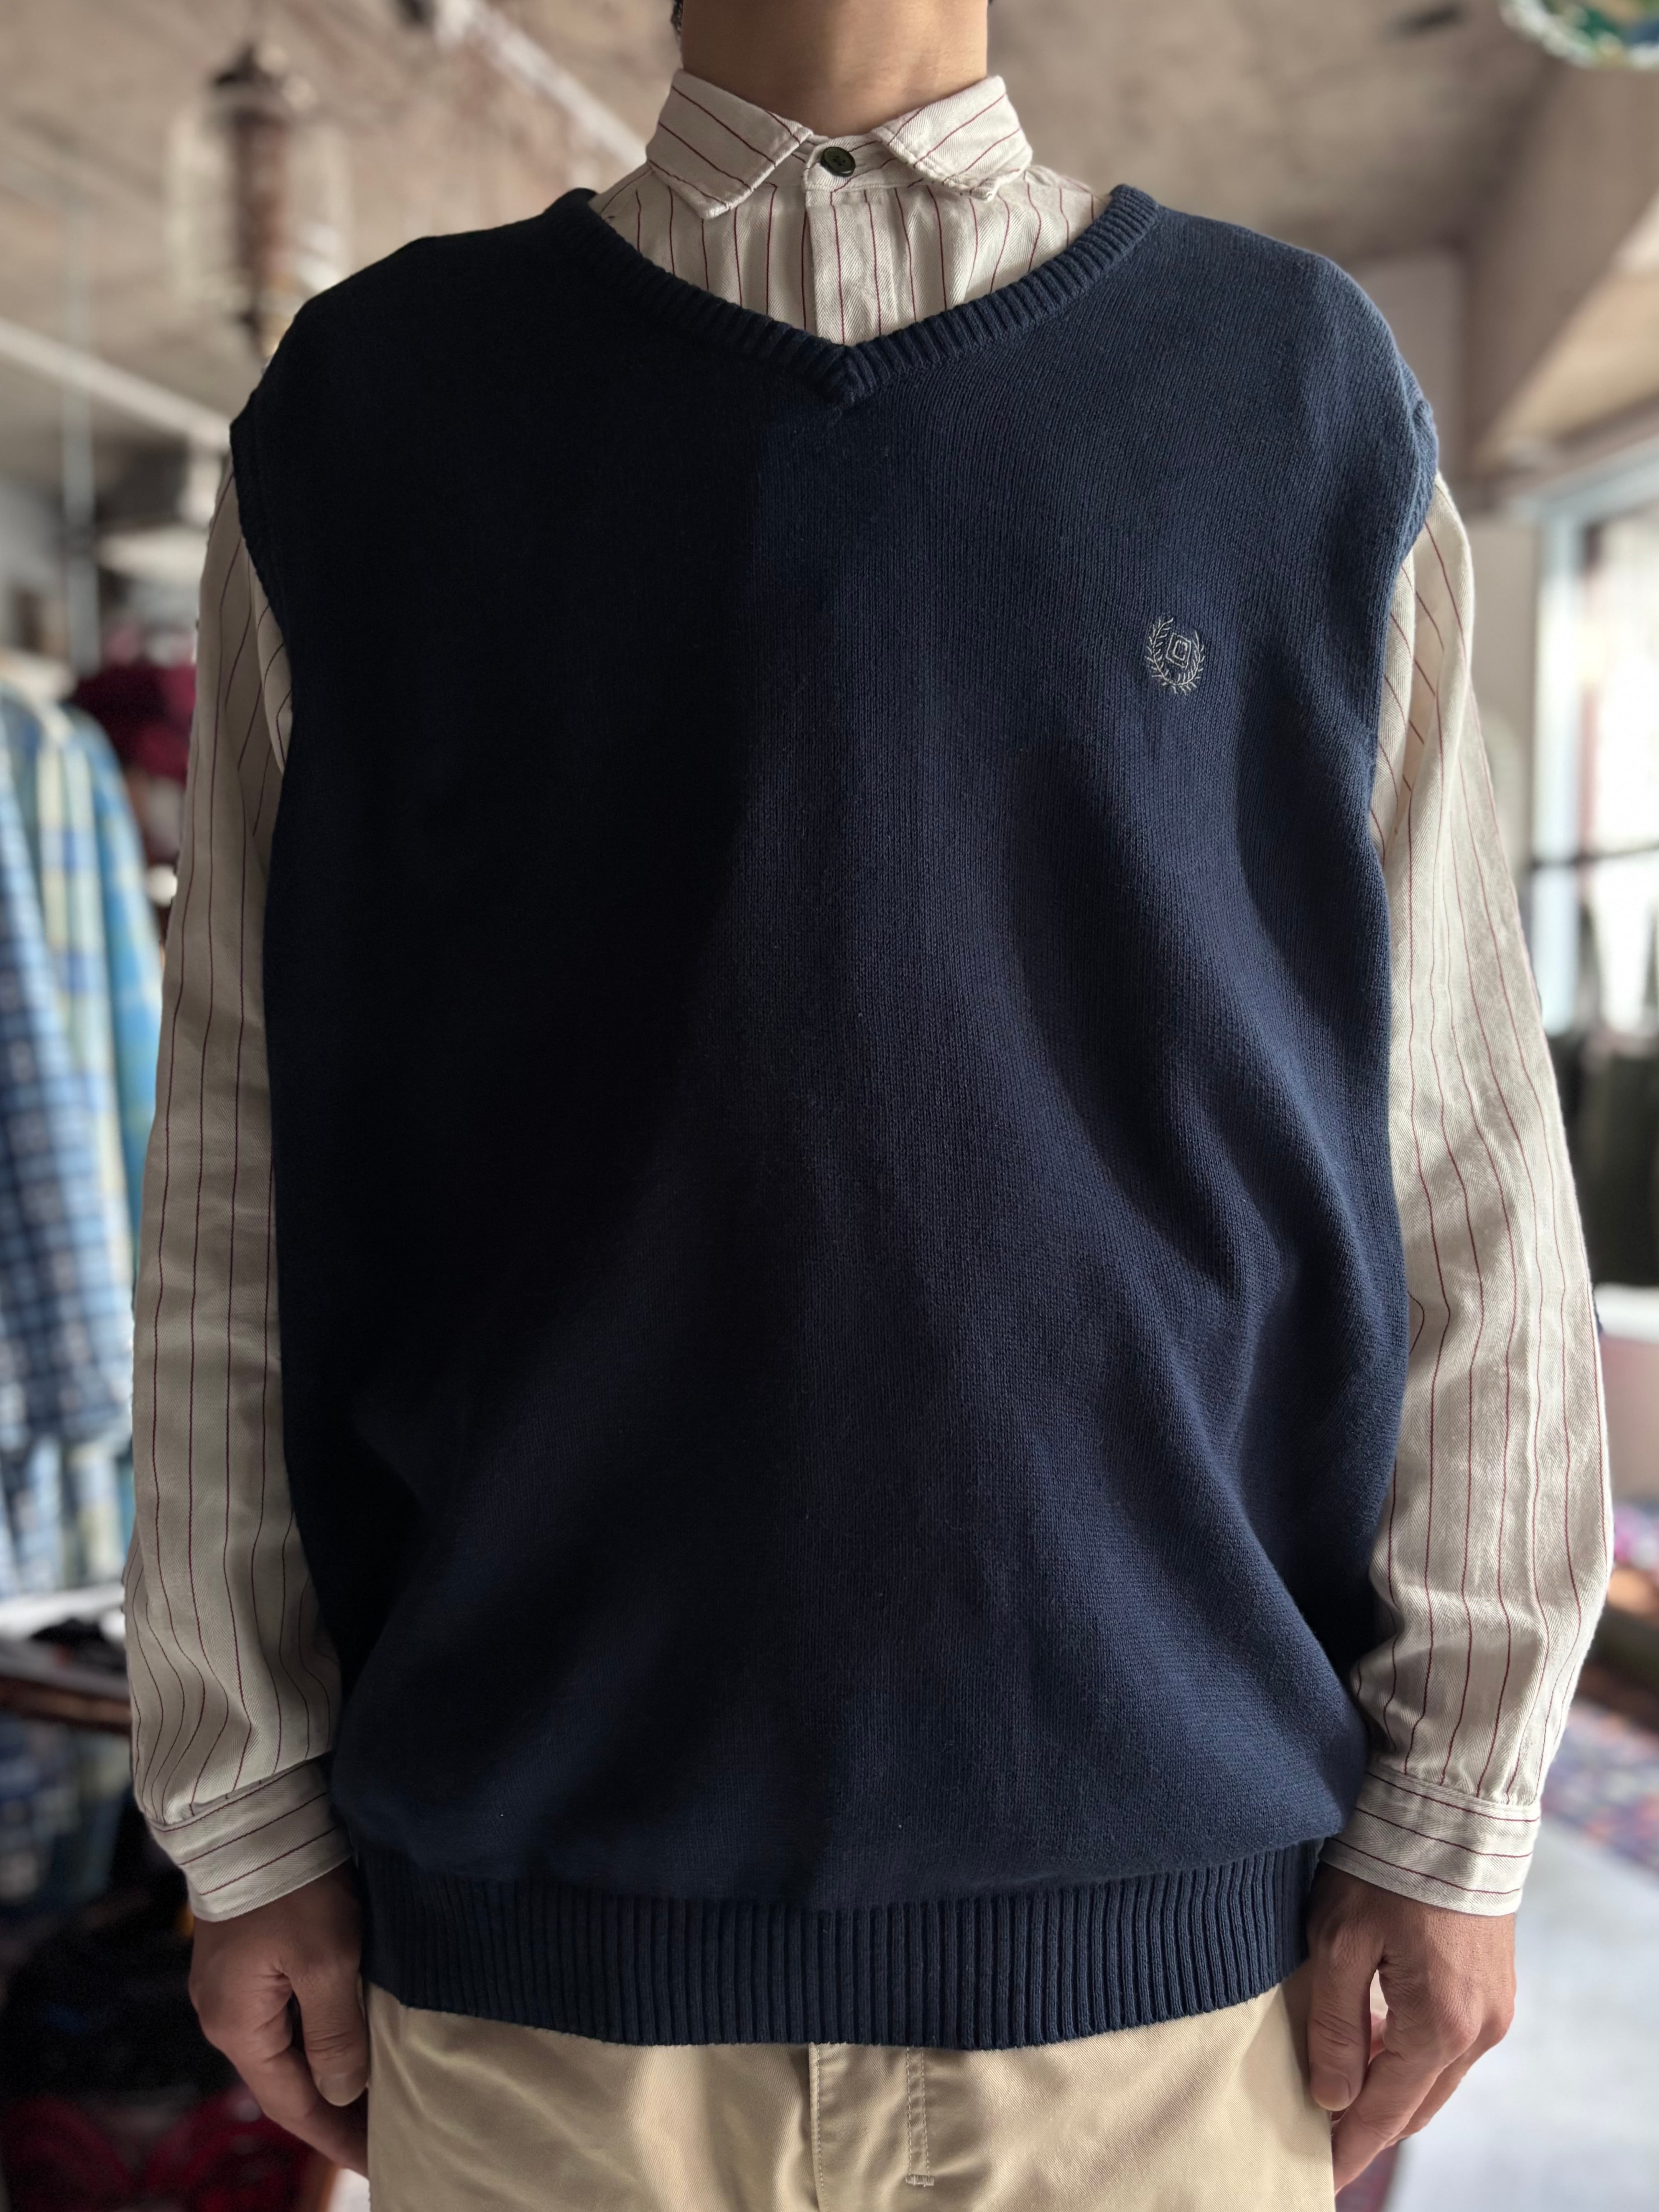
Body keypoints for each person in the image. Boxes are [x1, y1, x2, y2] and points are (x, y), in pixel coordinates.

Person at [125, 0, 1609, 2203]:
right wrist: (241, 1802)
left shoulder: (1288, 388)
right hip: (548, 1981)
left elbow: (1455, 1140)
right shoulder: (376, 415)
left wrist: (1463, 1797)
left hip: (1162, 1990)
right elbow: (241, 1150)